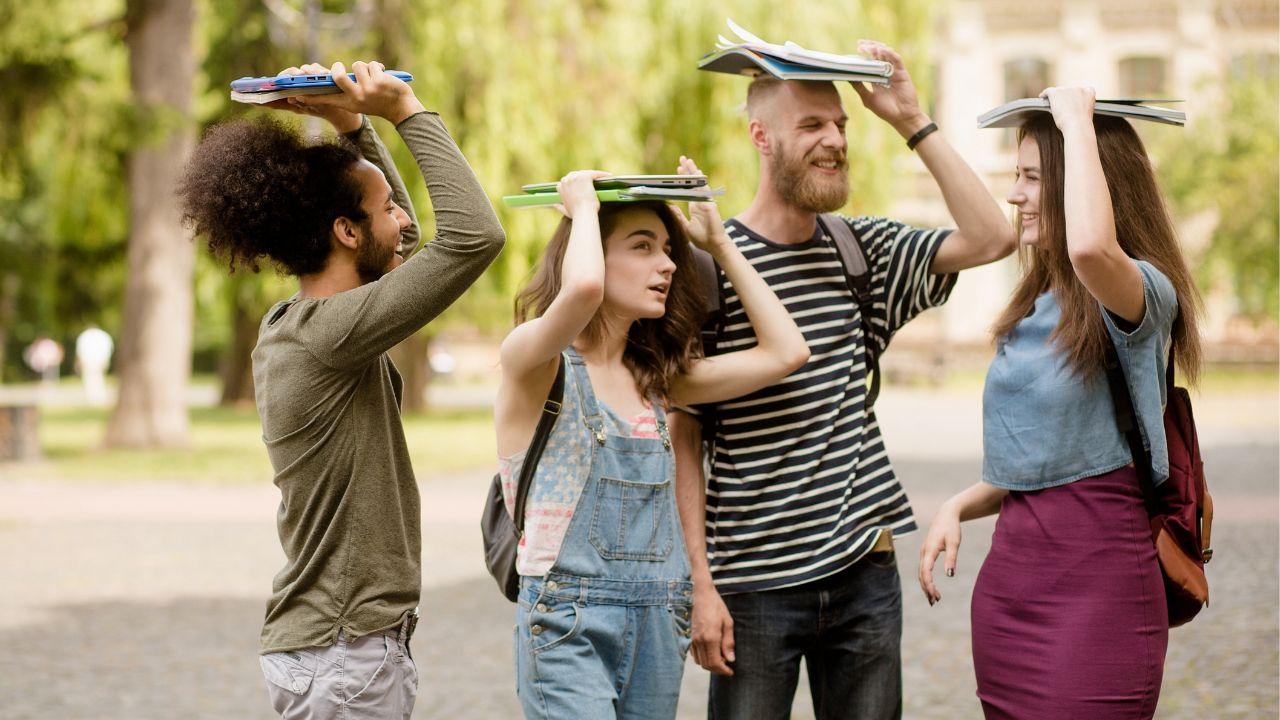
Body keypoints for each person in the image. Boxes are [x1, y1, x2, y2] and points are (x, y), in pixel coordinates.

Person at [672, 41, 1018, 720]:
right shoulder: (706, 267)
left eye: (840, 125)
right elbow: (683, 440)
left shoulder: (864, 252)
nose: (833, 140)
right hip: (753, 588)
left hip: (865, 572)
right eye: (811, 126)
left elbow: (993, 238)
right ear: (761, 138)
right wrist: (701, 586)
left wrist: (911, 121)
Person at [178, 61, 506, 719]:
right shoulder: (334, 334)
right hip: (344, 653)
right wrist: (406, 108)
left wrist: (351, 127)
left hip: (333, 648)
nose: (405, 221)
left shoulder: (304, 323)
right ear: (346, 233)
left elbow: (398, 240)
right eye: (387, 208)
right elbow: (475, 237)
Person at [917, 86, 1203, 720]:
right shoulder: (1037, 304)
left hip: (1099, 586)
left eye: (1031, 177)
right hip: (1012, 587)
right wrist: (959, 505)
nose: (1015, 194)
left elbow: (1091, 250)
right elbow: (1044, 461)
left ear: (1090, 178)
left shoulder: (1140, 289)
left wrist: (1075, 120)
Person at [495, 159, 810, 720]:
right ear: (590, 248)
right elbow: (586, 287)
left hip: (658, 622)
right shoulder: (533, 362)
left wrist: (719, 243)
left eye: (668, 248)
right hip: (566, 622)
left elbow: (787, 352)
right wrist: (584, 207)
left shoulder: (658, 381)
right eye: (642, 247)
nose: (667, 263)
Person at [74, 326, 114, 405]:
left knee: (90, 378)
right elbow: (109, 348)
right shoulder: (103, 335)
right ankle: (98, 396)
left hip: (88, 359)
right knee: (98, 377)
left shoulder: (84, 336)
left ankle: (93, 397)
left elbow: (80, 349)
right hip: (100, 359)